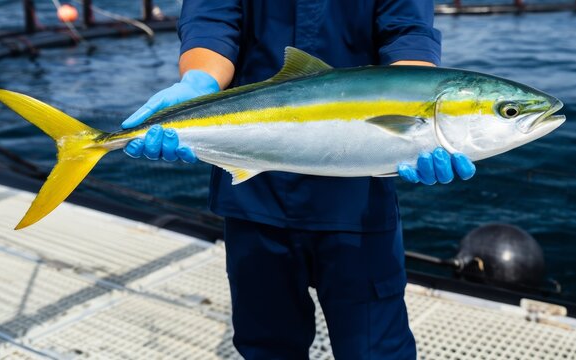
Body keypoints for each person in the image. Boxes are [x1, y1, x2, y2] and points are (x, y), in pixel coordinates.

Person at [122, 1, 476, 358]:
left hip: (358, 197)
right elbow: (213, 18)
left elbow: (407, 31)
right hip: (255, 194)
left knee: (376, 350)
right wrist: (198, 83)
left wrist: (422, 116)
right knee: (266, 346)